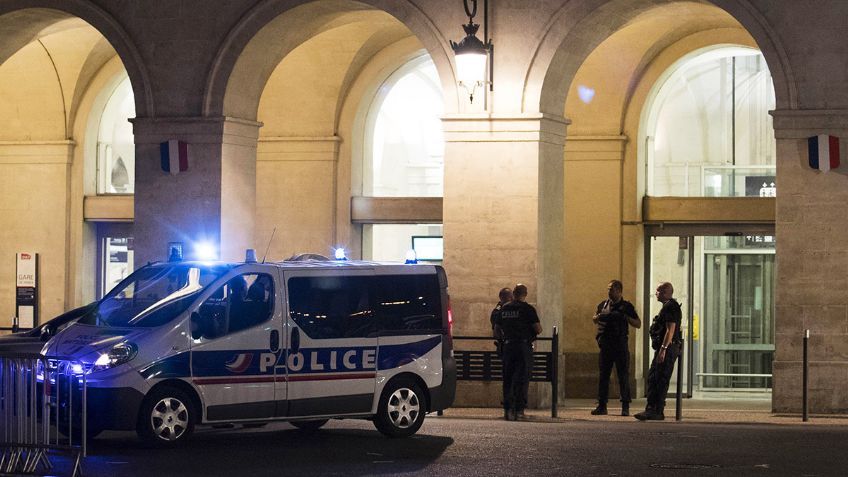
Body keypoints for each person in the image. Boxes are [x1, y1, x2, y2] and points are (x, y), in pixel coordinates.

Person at [591, 279, 641, 416]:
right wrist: (599, 316)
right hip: (606, 345)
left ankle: (625, 406)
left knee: (623, 376)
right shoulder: (603, 305)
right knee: (603, 376)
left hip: (620, 346)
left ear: (619, 290)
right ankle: (602, 405)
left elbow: (638, 323)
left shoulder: (626, 306)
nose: (609, 291)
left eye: (611, 289)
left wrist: (625, 318)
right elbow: (595, 318)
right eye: (608, 289)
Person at [493, 283, 542, 421]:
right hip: (523, 347)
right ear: (525, 294)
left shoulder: (504, 308)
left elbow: (496, 330)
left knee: (507, 378)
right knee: (522, 379)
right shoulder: (528, 309)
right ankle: (519, 411)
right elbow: (538, 329)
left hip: (508, 347)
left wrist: (504, 337)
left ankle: (507, 410)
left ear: (514, 293)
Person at [635, 282, 683, 421]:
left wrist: (663, 349)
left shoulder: (670, 307)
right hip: (667, 347)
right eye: (657, 290)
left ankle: (656, 410)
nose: (656, 293)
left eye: (660, 291)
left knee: (659, 378)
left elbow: (670, 329)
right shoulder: (669, 306)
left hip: (667, 348)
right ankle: (652, 409)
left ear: (668, 293)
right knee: (654, 377)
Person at [490, 287, 513, 356]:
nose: (512, 299)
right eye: (510, 296)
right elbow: (496, 330)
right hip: (504, 343)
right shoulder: (498, 311)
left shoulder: (500, 310)